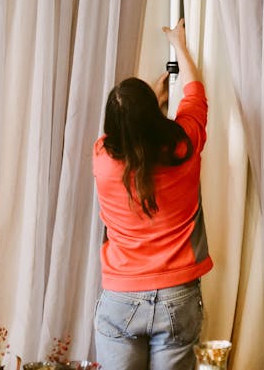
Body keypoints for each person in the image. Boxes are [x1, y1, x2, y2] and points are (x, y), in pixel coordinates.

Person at [93, 19, 211, 370]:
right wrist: (179, 46)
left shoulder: (102, 158)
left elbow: (132, 137)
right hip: (178, 293)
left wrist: (144, 104)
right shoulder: (184, 146)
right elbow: (195, 94)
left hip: (121, 296)